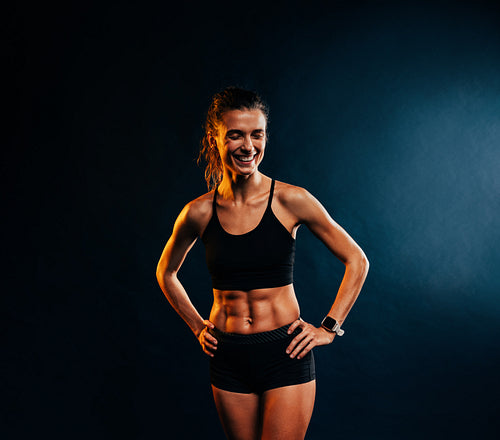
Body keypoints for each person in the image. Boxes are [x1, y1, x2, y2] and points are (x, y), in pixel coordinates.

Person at [156, 86, 369, 440]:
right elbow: (166, 272)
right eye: (236, 135)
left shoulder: (291, 200)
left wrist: (329, 328)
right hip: (228, 356)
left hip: (284, 352)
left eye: (257, 135)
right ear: (215, 139)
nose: (248, 146)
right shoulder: (198, 212)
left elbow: (356, 260)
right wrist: (197, 326)